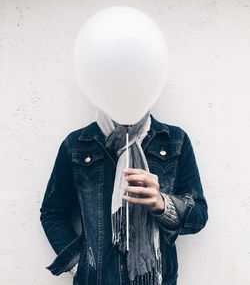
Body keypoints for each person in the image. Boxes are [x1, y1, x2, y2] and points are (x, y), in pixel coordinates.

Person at [39, 109, 208, 285]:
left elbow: (199, 215)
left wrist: (163, 204)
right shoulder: (77, 144)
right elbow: (52, 213)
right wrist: (80, 266)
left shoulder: (174, 140)